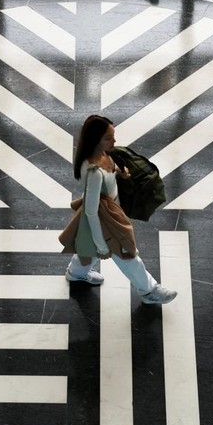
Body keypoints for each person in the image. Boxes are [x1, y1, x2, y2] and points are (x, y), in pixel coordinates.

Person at [64, 115, 177, 305]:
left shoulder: (103, 154)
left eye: (113, 136)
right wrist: (102, 246)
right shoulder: (94, 173)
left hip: (111, 211)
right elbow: (91, 212)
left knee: (88, 247)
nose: (114, 141)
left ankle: (76, 273)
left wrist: (120, 173)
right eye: (108, 138)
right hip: (105, 219)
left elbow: (110, 172)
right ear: (95, 140)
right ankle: (149, 291)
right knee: (126, 253)